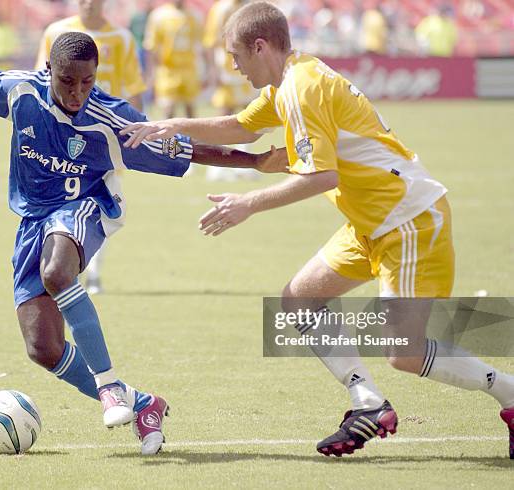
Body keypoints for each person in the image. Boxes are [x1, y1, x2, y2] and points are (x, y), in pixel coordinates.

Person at [120, 2, 514, 458]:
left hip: (408, 220)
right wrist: (169, 126)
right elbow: (242, 129)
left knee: (402, 352)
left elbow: (322, 176)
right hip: (372, 220)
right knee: (299, 299)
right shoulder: (292, 79)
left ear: (261, 46)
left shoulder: (302, 88)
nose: (232, 65)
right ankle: (367, 401)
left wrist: (247, 203)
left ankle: (508, 392)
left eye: (236, 55)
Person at [0, 32, 285, 456]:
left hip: (87, 207)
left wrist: (255, 161)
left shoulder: (111, 118)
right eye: (67, 81)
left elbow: (187, 149)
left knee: (58, 271)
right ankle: (144, 403)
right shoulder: (22, 91)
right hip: (32, 220)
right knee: (43, 348)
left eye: (88, 82)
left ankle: (110, 386)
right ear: (49, 73)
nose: (77, 92)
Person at [35, 0, 148, 295]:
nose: (88, 4)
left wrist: (135, 136)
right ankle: (55, 266)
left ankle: (93, 272)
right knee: (58, 196)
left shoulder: (121, 38)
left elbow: (133, 88)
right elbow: (38, 81)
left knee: (100, 202)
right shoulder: (56, 32)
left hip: (104, 135)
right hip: (61, 133)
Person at [202, 0, 258, 182]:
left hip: (247, 66)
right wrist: (213, 70)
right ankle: (216, 163)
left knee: (249, 112)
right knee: (225, 112)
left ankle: (244, 162)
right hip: (227, 67)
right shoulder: (221, 9)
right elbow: (210, 42)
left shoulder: (250, 6)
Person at [143, 0, 202, 119]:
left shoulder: (194, 15)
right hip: (167, 70)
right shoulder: (159, 15)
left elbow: (200, 45)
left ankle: (193, 138)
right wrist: (151, 73)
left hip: (189, 69)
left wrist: (205, 70)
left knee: (190, 110)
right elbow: (151, 47)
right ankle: (168, 138)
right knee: (168, 109)